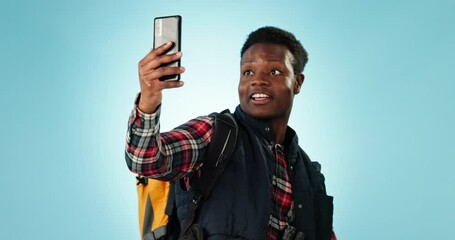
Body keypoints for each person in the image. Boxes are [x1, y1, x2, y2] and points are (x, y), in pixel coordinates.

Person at [125, 26, 335, 240]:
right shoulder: (218, 133)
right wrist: (148, 101)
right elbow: (145, 160)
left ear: (297, 83)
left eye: (274, 72)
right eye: (248, 72)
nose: (257, 80)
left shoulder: (311, 175)